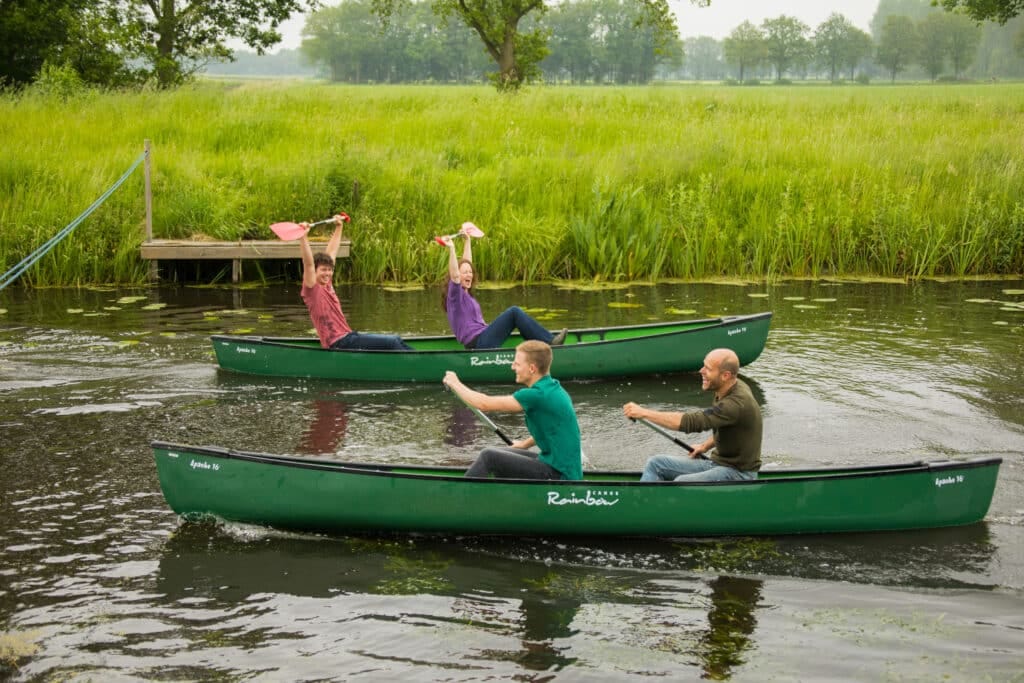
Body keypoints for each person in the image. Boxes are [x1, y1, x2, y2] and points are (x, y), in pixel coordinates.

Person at [443, 340, 582, 480]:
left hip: (560, 474)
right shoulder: (553, 387)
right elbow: (551, 429)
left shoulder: (536, 395)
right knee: (501, 452)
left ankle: (459, 495)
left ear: (532, 368)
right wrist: (523, 445)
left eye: (517, 364)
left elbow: (483, 404)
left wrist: (455, 383)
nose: (512, 367)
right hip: (557, 465)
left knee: (489, 456)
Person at [623, 348, 761, 482]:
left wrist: (644, 413)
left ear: (725, 376)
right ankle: (646, 502)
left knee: (682, 482)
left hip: (739, 473)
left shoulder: (735, 404)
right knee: (656, 464)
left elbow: (691, 422)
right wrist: (704, 446)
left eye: (708, 368)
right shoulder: (728, 387)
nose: (701, 371)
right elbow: (726, 424)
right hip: (719, 463)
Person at [299, 214, 412, 351]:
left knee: (397, 340)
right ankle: (419, 366)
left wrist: (339, 227)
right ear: (315, 272)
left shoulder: (327, 284)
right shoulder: (311, 289)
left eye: (330, 270)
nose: (327, 273)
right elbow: (308, 263)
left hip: (348, 337)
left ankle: (417, 361)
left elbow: (332, 251)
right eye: (323, 270)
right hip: (338, 342)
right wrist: (303, 237)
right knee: (393, 342)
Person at [440, 228, 567, 349]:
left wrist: (467, 241)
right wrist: (451, 248)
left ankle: (540, 345)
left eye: (470, 272)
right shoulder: (455, 296)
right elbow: (455, 274)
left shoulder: (467, 293)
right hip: (478, 342)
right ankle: (549, 342)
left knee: (514, 315)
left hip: (484, 337)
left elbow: (467, 263)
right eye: (465, 273)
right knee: (514, 312)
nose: (469, 275)